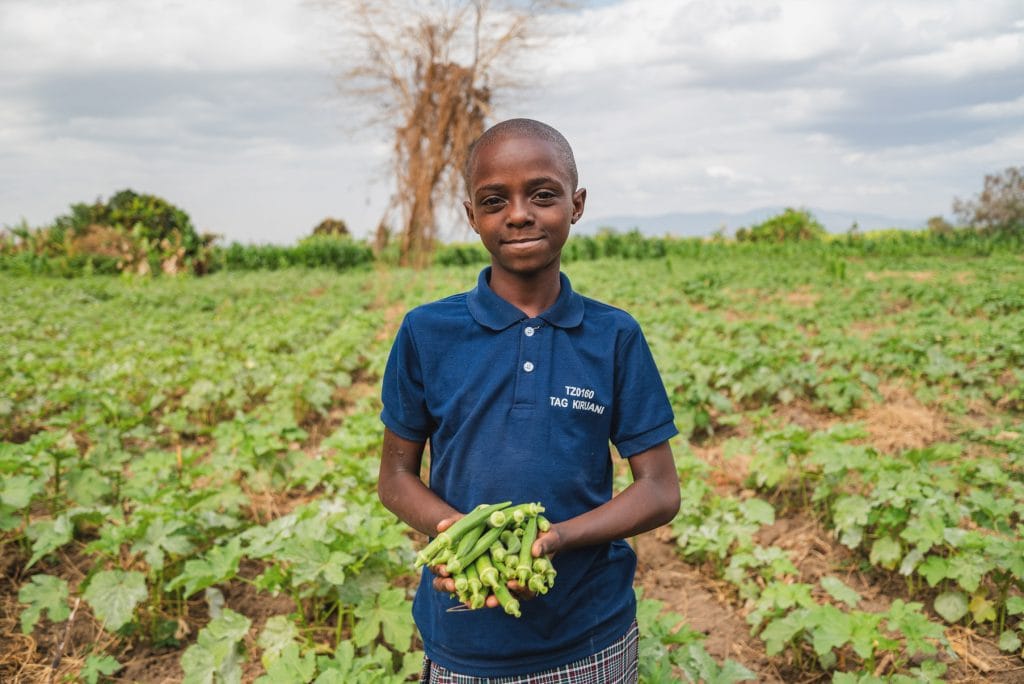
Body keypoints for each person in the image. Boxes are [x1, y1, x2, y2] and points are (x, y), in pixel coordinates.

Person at [378, 118, 681, 683]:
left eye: (542, 194)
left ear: (576, 204)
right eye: (495, 200)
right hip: (462, 627)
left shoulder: (614, 336)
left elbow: (660, 490)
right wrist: (465, 539)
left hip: (590, 634)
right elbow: (395, 477)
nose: (518, 214)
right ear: (472, 216)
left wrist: (558, 538)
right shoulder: (427, 332)